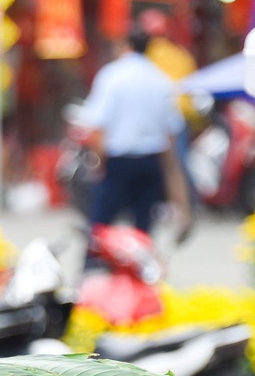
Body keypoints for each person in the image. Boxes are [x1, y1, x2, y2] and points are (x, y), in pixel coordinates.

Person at [78, 29, 186, 232]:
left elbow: (99, 125)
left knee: (101, 222)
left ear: (126, 46)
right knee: (143, 225)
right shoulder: (160, 79)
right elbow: (170, 132)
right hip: (150, 161)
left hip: (118, 161)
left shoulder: (112, 76)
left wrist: (98, 164)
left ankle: (93, 262)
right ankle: (139, 263)